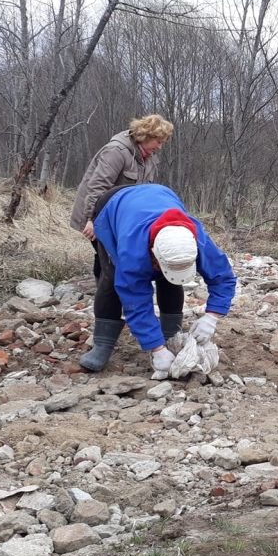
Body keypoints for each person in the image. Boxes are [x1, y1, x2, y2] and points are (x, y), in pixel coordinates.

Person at [78, 183, 236, 377]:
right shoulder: (131, 253)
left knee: (170, 280)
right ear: (153, 254)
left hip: (159, 195)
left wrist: (212, 316)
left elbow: (224, 278)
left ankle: (170, 335)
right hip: (113, 207)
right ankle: (103, 343)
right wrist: (156, 349)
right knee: (112, 280)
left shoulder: (197, 240)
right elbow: (135, 302)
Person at [70, 114, 173, 274]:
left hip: (120, 216)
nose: (160, 146)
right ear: (146, 136)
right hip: (97, 212)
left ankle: (113, 289)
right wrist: (91, 219)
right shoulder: (117, 151)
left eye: (162, 143)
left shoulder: (149, 158)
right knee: (107, 256)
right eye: (158, 142)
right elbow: (97, 186)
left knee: (117, 257)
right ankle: (105, 291)